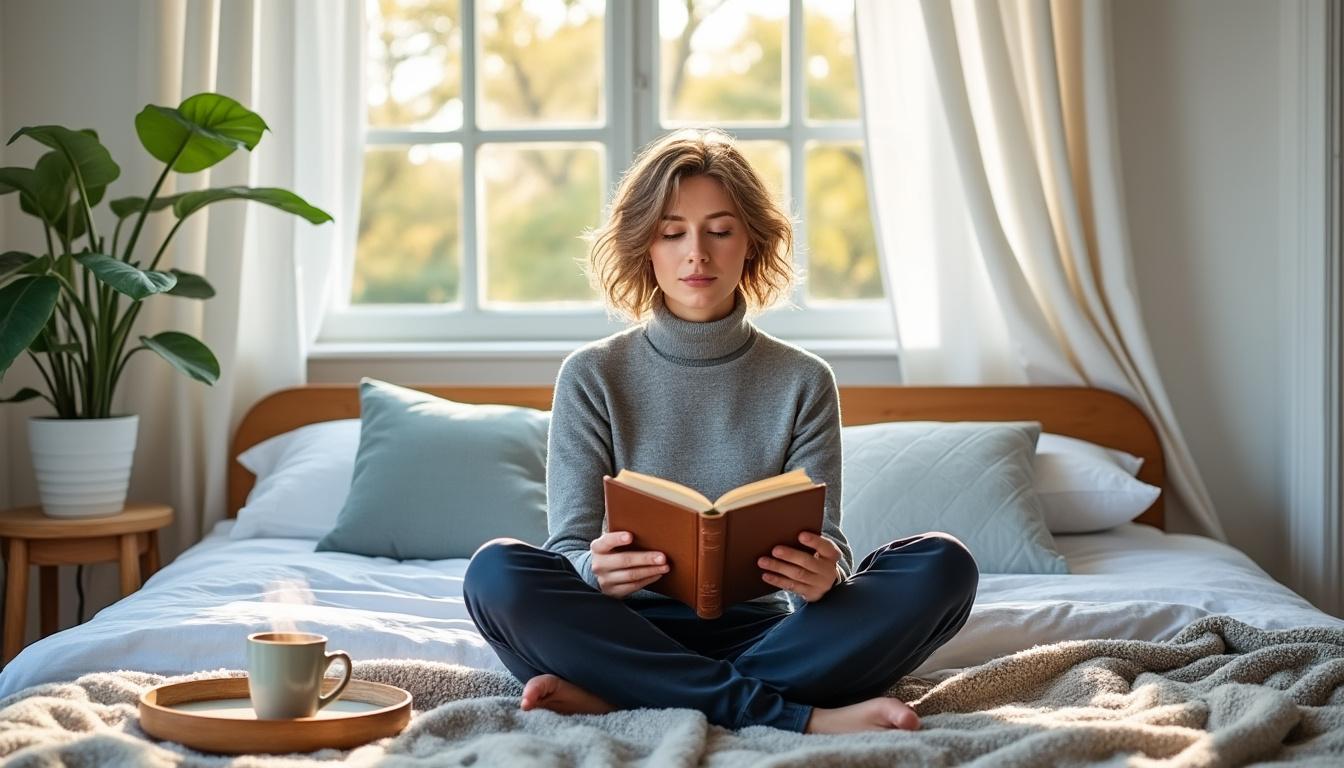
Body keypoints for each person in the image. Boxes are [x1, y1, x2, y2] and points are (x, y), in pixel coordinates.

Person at [464, 129, 978, 734]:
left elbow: (825, 541)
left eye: (720, 230)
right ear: (645, 246)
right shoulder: (592, 375)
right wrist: (591, 571)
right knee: (495, 574)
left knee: (944, 565)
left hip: (768, 637)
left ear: (751, 242)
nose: (697, 255)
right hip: (621, 632)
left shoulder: (804, 380)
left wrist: (824, 576)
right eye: (672, 232)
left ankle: (628, 698)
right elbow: (569, 547)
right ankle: (795, 715)